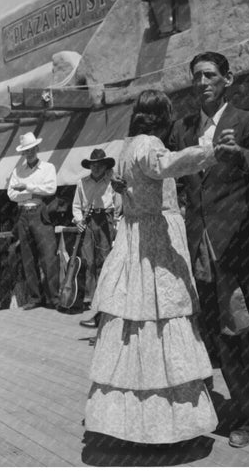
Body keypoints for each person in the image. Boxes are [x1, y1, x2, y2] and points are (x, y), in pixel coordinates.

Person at [85, 89, 223, 444]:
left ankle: (134, 421)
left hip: (135, 237)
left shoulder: (128, 145)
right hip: (154, 239)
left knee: (138, 321)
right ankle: (164, 426)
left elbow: (125, 183)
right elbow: (165, 165)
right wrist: (210, 151)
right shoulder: (148, 144)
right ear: (164, 117)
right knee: (161, 317)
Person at [168, 51, 249, 448]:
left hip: (246, 246)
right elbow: (172, 179)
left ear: (227, 79)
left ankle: (248, 390)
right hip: (205, 250)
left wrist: (241, 157)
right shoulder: (183, 130)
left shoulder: (247, 121)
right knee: (230, 336)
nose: (203, 82)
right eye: (197, 76)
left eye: (211, 75)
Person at [7, 131, 60, 310]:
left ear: (37, 148)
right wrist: (33, 191)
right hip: (23, 214)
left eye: (31, 149)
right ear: (22, 153)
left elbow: (51, 188)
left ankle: (54, 297)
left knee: (48, 256)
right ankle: (36, 298)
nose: (29, 152)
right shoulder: (17, 170)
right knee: (28, 256)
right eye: (26, 150)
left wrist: (26, 187)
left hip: (39, 212)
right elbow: (11, 194)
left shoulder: (48, 167)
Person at [70, 149, 122, 323]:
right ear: (90, 166)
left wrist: (116, 224)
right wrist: (79, 220)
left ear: (105, 166)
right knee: (88, 260)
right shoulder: (82, 183)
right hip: (89, 220)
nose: (96, 168)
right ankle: (91, 299)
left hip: (106, 219)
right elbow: (77, 206)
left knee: (105, 260)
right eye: (93, 165)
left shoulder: (111, 183)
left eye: (100, 165)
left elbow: (117, 205)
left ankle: (105, 299)